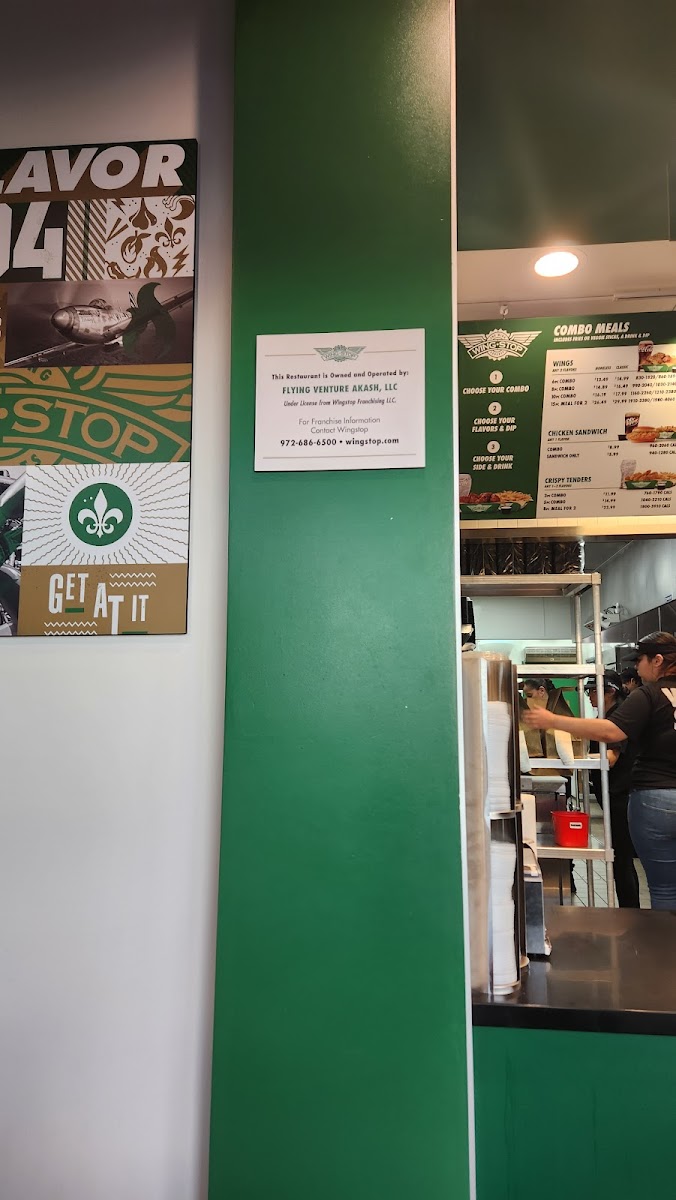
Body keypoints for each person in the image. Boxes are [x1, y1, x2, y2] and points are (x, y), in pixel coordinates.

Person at [524, 632, 676, 910]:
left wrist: (552, 720)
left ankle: (660, 937)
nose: (637, 668)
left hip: (656, 797)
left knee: (665, 888)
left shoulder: (650, 695)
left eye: (640, 660)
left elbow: (611, 732)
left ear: (657, 660)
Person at [586, 671, 639, 908]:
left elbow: (610, 758)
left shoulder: (617, 718)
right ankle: (629, 911)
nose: (589, 696)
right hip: (614, 795)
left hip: (620, 797)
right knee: (620, 859)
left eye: (592, 690)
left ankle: (630, 912)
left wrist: (580, 759)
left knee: (622, 860)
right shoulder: (607, 715)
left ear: (610, 692)